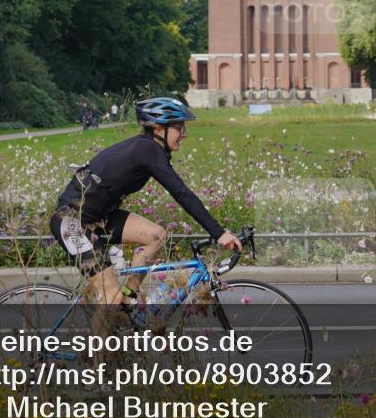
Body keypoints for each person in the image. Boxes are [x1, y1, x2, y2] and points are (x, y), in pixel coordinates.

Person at [49, 97, 243, 316]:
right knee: (111, 296)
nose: (185, 134)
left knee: (157, 235)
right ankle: (98, 350)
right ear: (159, 128)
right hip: (72, 222)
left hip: (99, 218)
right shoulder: (148, 150)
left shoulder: (150, 149)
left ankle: (129, 297)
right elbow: (181, 193)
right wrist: (218, 233)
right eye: (180, 128)